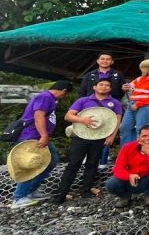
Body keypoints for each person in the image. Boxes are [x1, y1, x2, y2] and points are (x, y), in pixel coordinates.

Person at [53, 79, 123, 204]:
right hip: (80, 136)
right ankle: (61, 193)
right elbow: (68, 116)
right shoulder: (83, 100)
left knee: (92, 163)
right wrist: (82, 120)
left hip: (100, 136)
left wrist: (112, 136)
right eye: (101, 84)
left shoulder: (115, 103)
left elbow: (117, 121)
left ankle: (86, 190)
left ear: (110, 89)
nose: (104, 87)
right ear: (95, 87)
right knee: (74, 163)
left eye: (107, 85)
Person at [11, 81, 73, 209]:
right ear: (64, 91)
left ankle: (31, 191)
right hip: (32, 136)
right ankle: (19, 197)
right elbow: (38, 115)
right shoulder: (45, 97)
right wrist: (44, 135)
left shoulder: (49, 98)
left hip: (39, 136)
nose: (64, 97)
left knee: (51, 161)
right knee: (31, 165)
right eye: (65, 94)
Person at [105, 125, 149, 208]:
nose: (148, 138)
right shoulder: (128, 147)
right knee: (111, 184)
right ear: (138, 137)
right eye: (144, 136)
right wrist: (129, 175)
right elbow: (118, 168)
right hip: (131, 180)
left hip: (148, 179)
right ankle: (125, 197)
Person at [119, 62, 149, 145]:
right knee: (124, 127)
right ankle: (125, 150)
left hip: (146, 106)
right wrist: (125, 87)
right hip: (132, 104)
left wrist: (138, 104)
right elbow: (129, 87)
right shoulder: (140, 78)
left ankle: (139, 151)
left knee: (140, 129)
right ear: (148, 70)